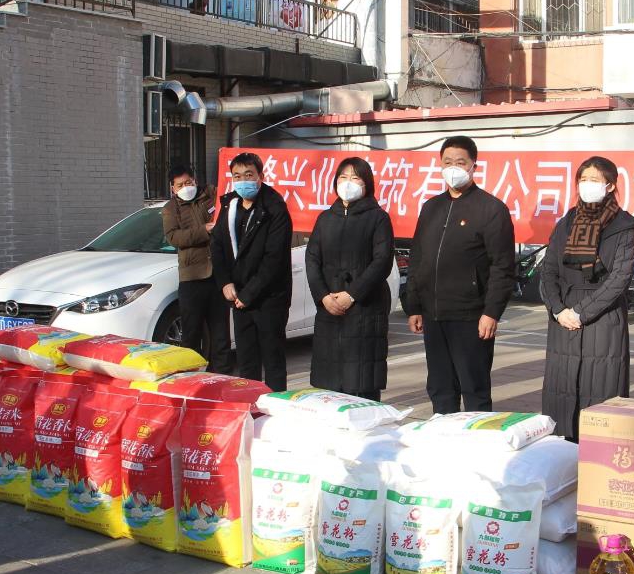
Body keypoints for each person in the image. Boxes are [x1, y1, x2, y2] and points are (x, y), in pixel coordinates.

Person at [403, 136, 516, 414]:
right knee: (440, 387)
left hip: (471, 317)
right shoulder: (431, 208)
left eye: (460, 162)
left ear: (473, 165)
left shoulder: (491, 209)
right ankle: (443, 433)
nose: (453, 168)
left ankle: (478, 436)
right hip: (433, 315)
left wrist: (491, 313)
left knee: (474, 388)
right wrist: (413, 306)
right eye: (448, 162)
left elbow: (502, 267)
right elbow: (418, 258)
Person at [539, 157, 634, 441]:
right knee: (561, 393)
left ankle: (597, 455)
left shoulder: (624, 227)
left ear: (610, 185)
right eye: (583, 180)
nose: (587, 185)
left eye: (594, 180)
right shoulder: (566, 223)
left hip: (603, 319)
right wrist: (558, 309)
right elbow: (548, 270)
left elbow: (619, 279)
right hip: (563, 319)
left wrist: (580, 312)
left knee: (600, 392)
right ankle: (562, 452)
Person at [305, 157, 396, 400]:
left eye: (355, 178)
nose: (348, 182)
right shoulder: (325, 218)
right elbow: (312, 259)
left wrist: (352, 294)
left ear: (367, 184)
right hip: (329, 307)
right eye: (343, 177)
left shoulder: (378, 218)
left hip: (365, 308)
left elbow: (382, 261)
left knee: (361, 382)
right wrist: (324, 297)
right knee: (330, 384)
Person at [210, 153, 292, 391]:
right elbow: (217, 244)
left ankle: (275, 405)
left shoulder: (274, 208)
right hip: (239, 297)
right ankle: (250, 405)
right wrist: (225, 282)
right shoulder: (230, 205)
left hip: (268, 298)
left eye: (248, 175)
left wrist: (249, 293)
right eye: (237, 176)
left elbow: (274, 259)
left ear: (260, 176)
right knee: (246, 361)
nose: (243, 181)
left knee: (273, 360)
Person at [162, 164, 230, 372]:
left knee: (220, 333)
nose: (186, 187)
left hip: (217, 274)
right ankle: (190, 378)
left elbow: (228, 199)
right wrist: (203, 230)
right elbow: (174, 237)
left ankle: (221, 375)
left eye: (188, 182)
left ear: (195, 180)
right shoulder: (170, 209)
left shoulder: (210, 195)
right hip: (192, 278)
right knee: (191, 333)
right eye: (180, 185)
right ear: (173, 188)